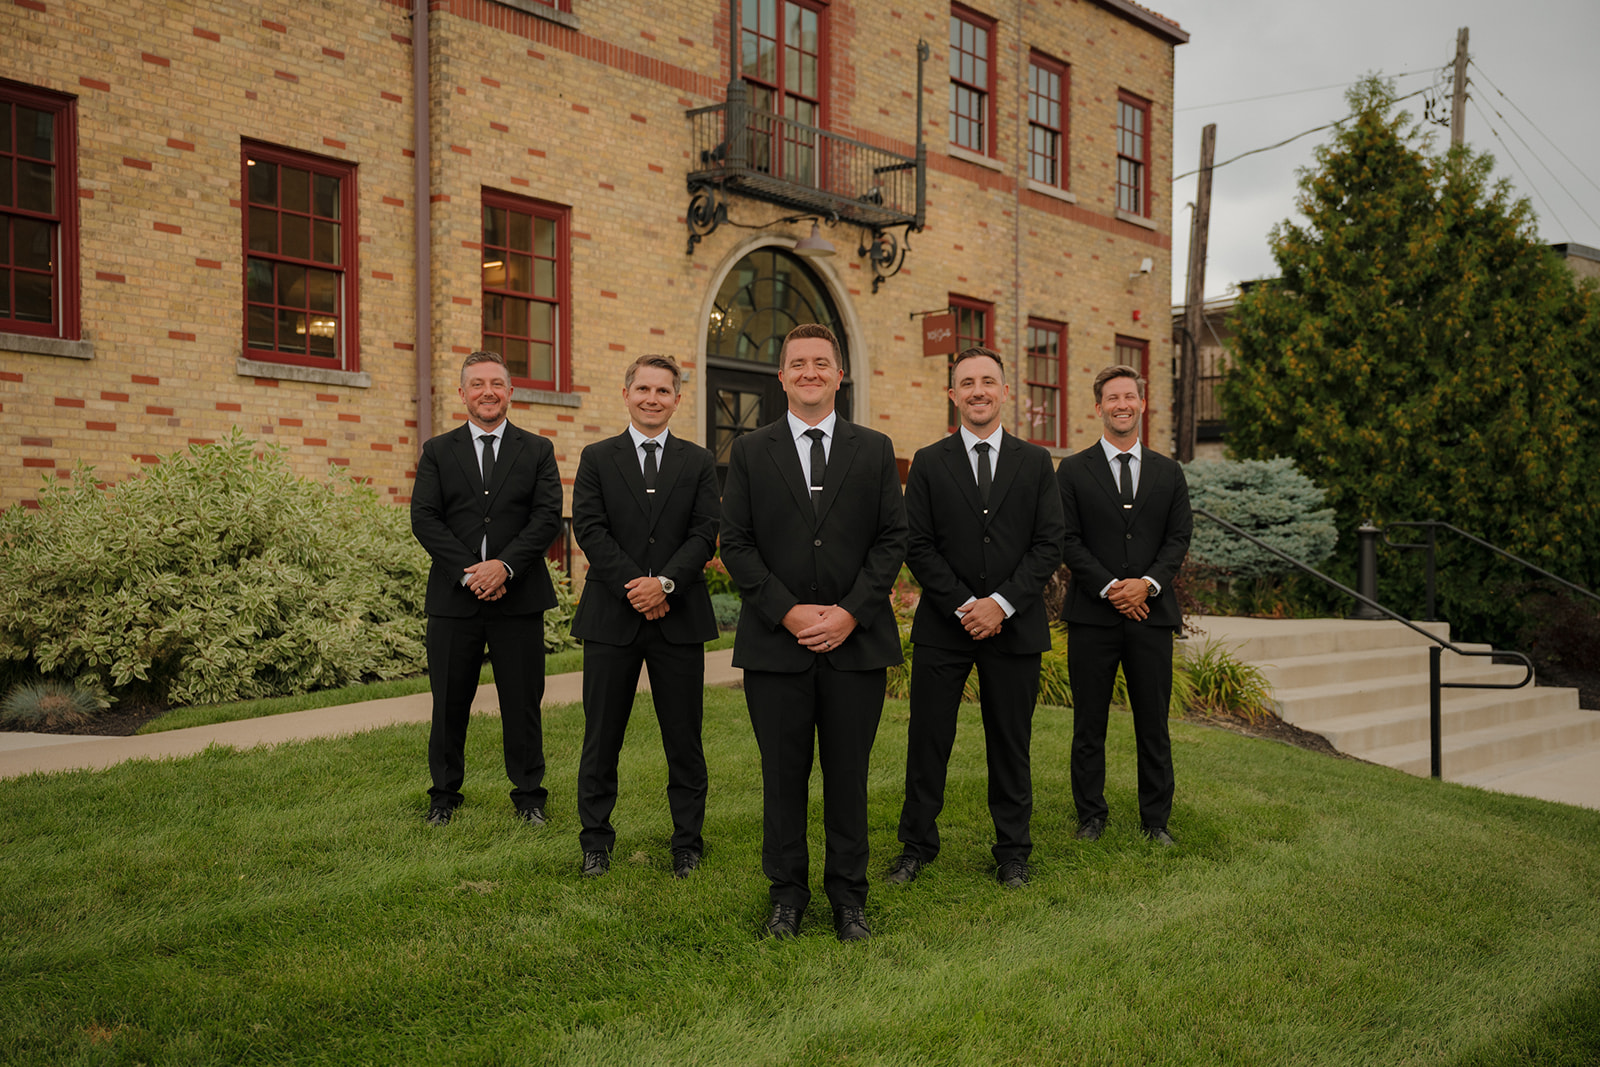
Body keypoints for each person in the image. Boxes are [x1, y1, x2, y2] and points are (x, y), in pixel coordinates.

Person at [719, 323, 908, 942]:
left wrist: (851, 612)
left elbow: (890, 541)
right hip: (778, 646)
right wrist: (790, 611)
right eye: (796, 363)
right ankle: (787, 897)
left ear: (838, 373)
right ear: (781, 376)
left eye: (820, 363)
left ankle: (849, 898)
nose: (808, 372)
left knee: (848, 777)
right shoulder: (750, 451)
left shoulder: (875, 448)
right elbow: (737, 544)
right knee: (783, 777)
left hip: (857, 645)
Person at [888, 347, 1064, 889]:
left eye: (988, 381)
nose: (978, 390)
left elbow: (1048, 542)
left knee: (1010, 743)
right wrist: (966, 604)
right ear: (953, 394)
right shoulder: (929, 460)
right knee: (928, 741)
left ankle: (1012, 852)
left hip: (1015, 625)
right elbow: (917, 545)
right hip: (947, 625)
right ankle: (916, 848)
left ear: (1006, 392)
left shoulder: (1034, 462)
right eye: (967, 382)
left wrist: (1001, 604)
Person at [569, 355, 720, 880]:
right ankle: (595, 842)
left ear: (677, 399)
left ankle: (687, 843)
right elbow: (588, 528)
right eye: (644, 389)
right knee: (601, 736)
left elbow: (705, 533)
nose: (652, 398)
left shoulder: (699, 462)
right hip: (612, 617)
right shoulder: (597, 457)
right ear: (626, 392)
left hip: (679, 617)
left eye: (663, 391)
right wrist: (637, 586)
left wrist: (666, 584)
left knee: (684, 738)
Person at [411, 351, 563, 826]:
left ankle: (530, 797)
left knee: (522, 702)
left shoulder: (537, 449)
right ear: (462, 394)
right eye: (477, 384)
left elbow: (547, 518)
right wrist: (471, 571)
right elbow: (425, 518)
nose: (488, 392)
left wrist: (504, 567)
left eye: (496, 383)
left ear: (510, 391)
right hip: (454, 599)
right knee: (449, 702)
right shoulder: (438, 450)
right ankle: (443, 796)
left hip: (519, 598)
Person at [1055, 364, 1192, 846]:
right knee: (1088, 723)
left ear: (1141, 403)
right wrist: (1114, 586)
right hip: (1093, 615)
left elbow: (1178, 538)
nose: (1121, 404)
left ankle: (1156, 821)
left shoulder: (1168, 471)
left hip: (1152, 616)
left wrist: (1148, 585)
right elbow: (1066, 540)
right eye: (1112, 398)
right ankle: (1090, 815)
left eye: (1129, 396)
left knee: (1152, 724)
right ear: (1098, 408)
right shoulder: (1071, 470)